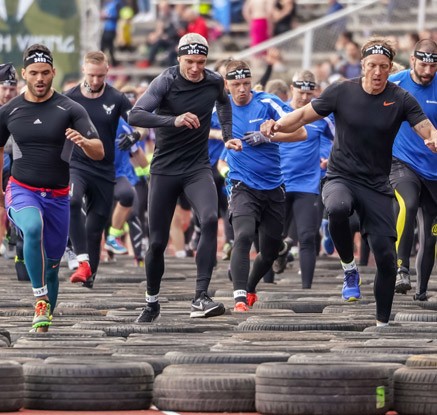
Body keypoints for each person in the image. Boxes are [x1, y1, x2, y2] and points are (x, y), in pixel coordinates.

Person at [260, 36, 437, 327]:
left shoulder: (401, 98)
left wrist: (433, 139)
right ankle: (348, 267)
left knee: (386, 259)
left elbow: (427, 128)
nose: (377, 72)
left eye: (383, 66)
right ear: (362, 65)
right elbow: (303, 115)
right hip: (341, 176)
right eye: (371, 66)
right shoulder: (342, 91)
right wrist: (275, 125)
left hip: (377, 184)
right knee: (338, 208)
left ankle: (382, 324)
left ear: (390, 67)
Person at [128, 33, 233, 322]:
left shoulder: (213, 81)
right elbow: (135, 115)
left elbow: (224, 103)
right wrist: (172, 120)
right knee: (158, 242)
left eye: (201, 62)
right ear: (178, 59)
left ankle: (200, 297)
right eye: (189, 62)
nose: (196, 68)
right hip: (164, 169)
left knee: (211, 218)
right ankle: (151, 303)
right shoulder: (166, 81)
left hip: (197, 167)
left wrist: (227, 135)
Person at [0, 44, 103, 331]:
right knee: (32, 228)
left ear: (53, 72)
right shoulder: (10, 110)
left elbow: (99, 150)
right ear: (24, 74)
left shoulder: (70, 109)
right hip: (22, 189)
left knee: (53, 266)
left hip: (58, 196)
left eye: (45, 72)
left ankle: (44, 317)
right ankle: (39, 299)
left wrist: (84, 142)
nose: (40, 78)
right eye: (34, 73)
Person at [222, 60, 306, 311]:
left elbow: (301, 133)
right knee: (244, 234)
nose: (242, 89)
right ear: (227, 85)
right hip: (241, 184)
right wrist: (226, 139)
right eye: (236, 84)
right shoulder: (220, 107)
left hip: (272, 186)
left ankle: (249, 287)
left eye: (246, 83)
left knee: (269, 251)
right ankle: (239, 298)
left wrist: (269, 135)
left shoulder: (266, 102)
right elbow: (199, 128)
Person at [65, 51, 132, 288]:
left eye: (101, 76)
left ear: (107, 72)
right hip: (77, 164)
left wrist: (135, 136)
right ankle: (80, 258)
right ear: (83, 70)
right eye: (92, 75)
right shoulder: (70, 97)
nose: (95, 81)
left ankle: (89, 275)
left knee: (95, 229)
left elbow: (138, 122)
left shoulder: (117, 97)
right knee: (72, 200)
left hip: (105, 168)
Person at [273, 70, 334, 288]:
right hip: (277, 183)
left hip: (307, 184)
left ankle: (306, 287)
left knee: (307, 236)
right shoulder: (277, 110)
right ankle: (267, 283)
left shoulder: (321, 115)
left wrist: (329, 157)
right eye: (301, 93)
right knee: (272, 238)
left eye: (310, 94)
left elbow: (339, 139)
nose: (305, 98)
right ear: (292, 89)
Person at [389, 39, 437, 300]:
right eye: (423, 65)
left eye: (433, 66)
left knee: (431, 235)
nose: (428, 72)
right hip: (403, 163)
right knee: (407, 204)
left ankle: (420, 292)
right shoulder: (395, 83)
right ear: (412, 60)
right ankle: (401, 269)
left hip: (434, 170)